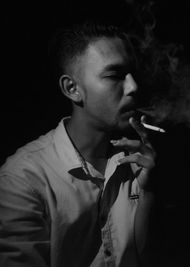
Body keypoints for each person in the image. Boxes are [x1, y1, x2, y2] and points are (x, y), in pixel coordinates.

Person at [0, 21, 157, 266]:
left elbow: (141, 259)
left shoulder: (135, 163)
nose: (133, 87)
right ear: (72, 88)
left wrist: (148, 192)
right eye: (114, 75)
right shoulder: (24, 178)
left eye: (132, 74)